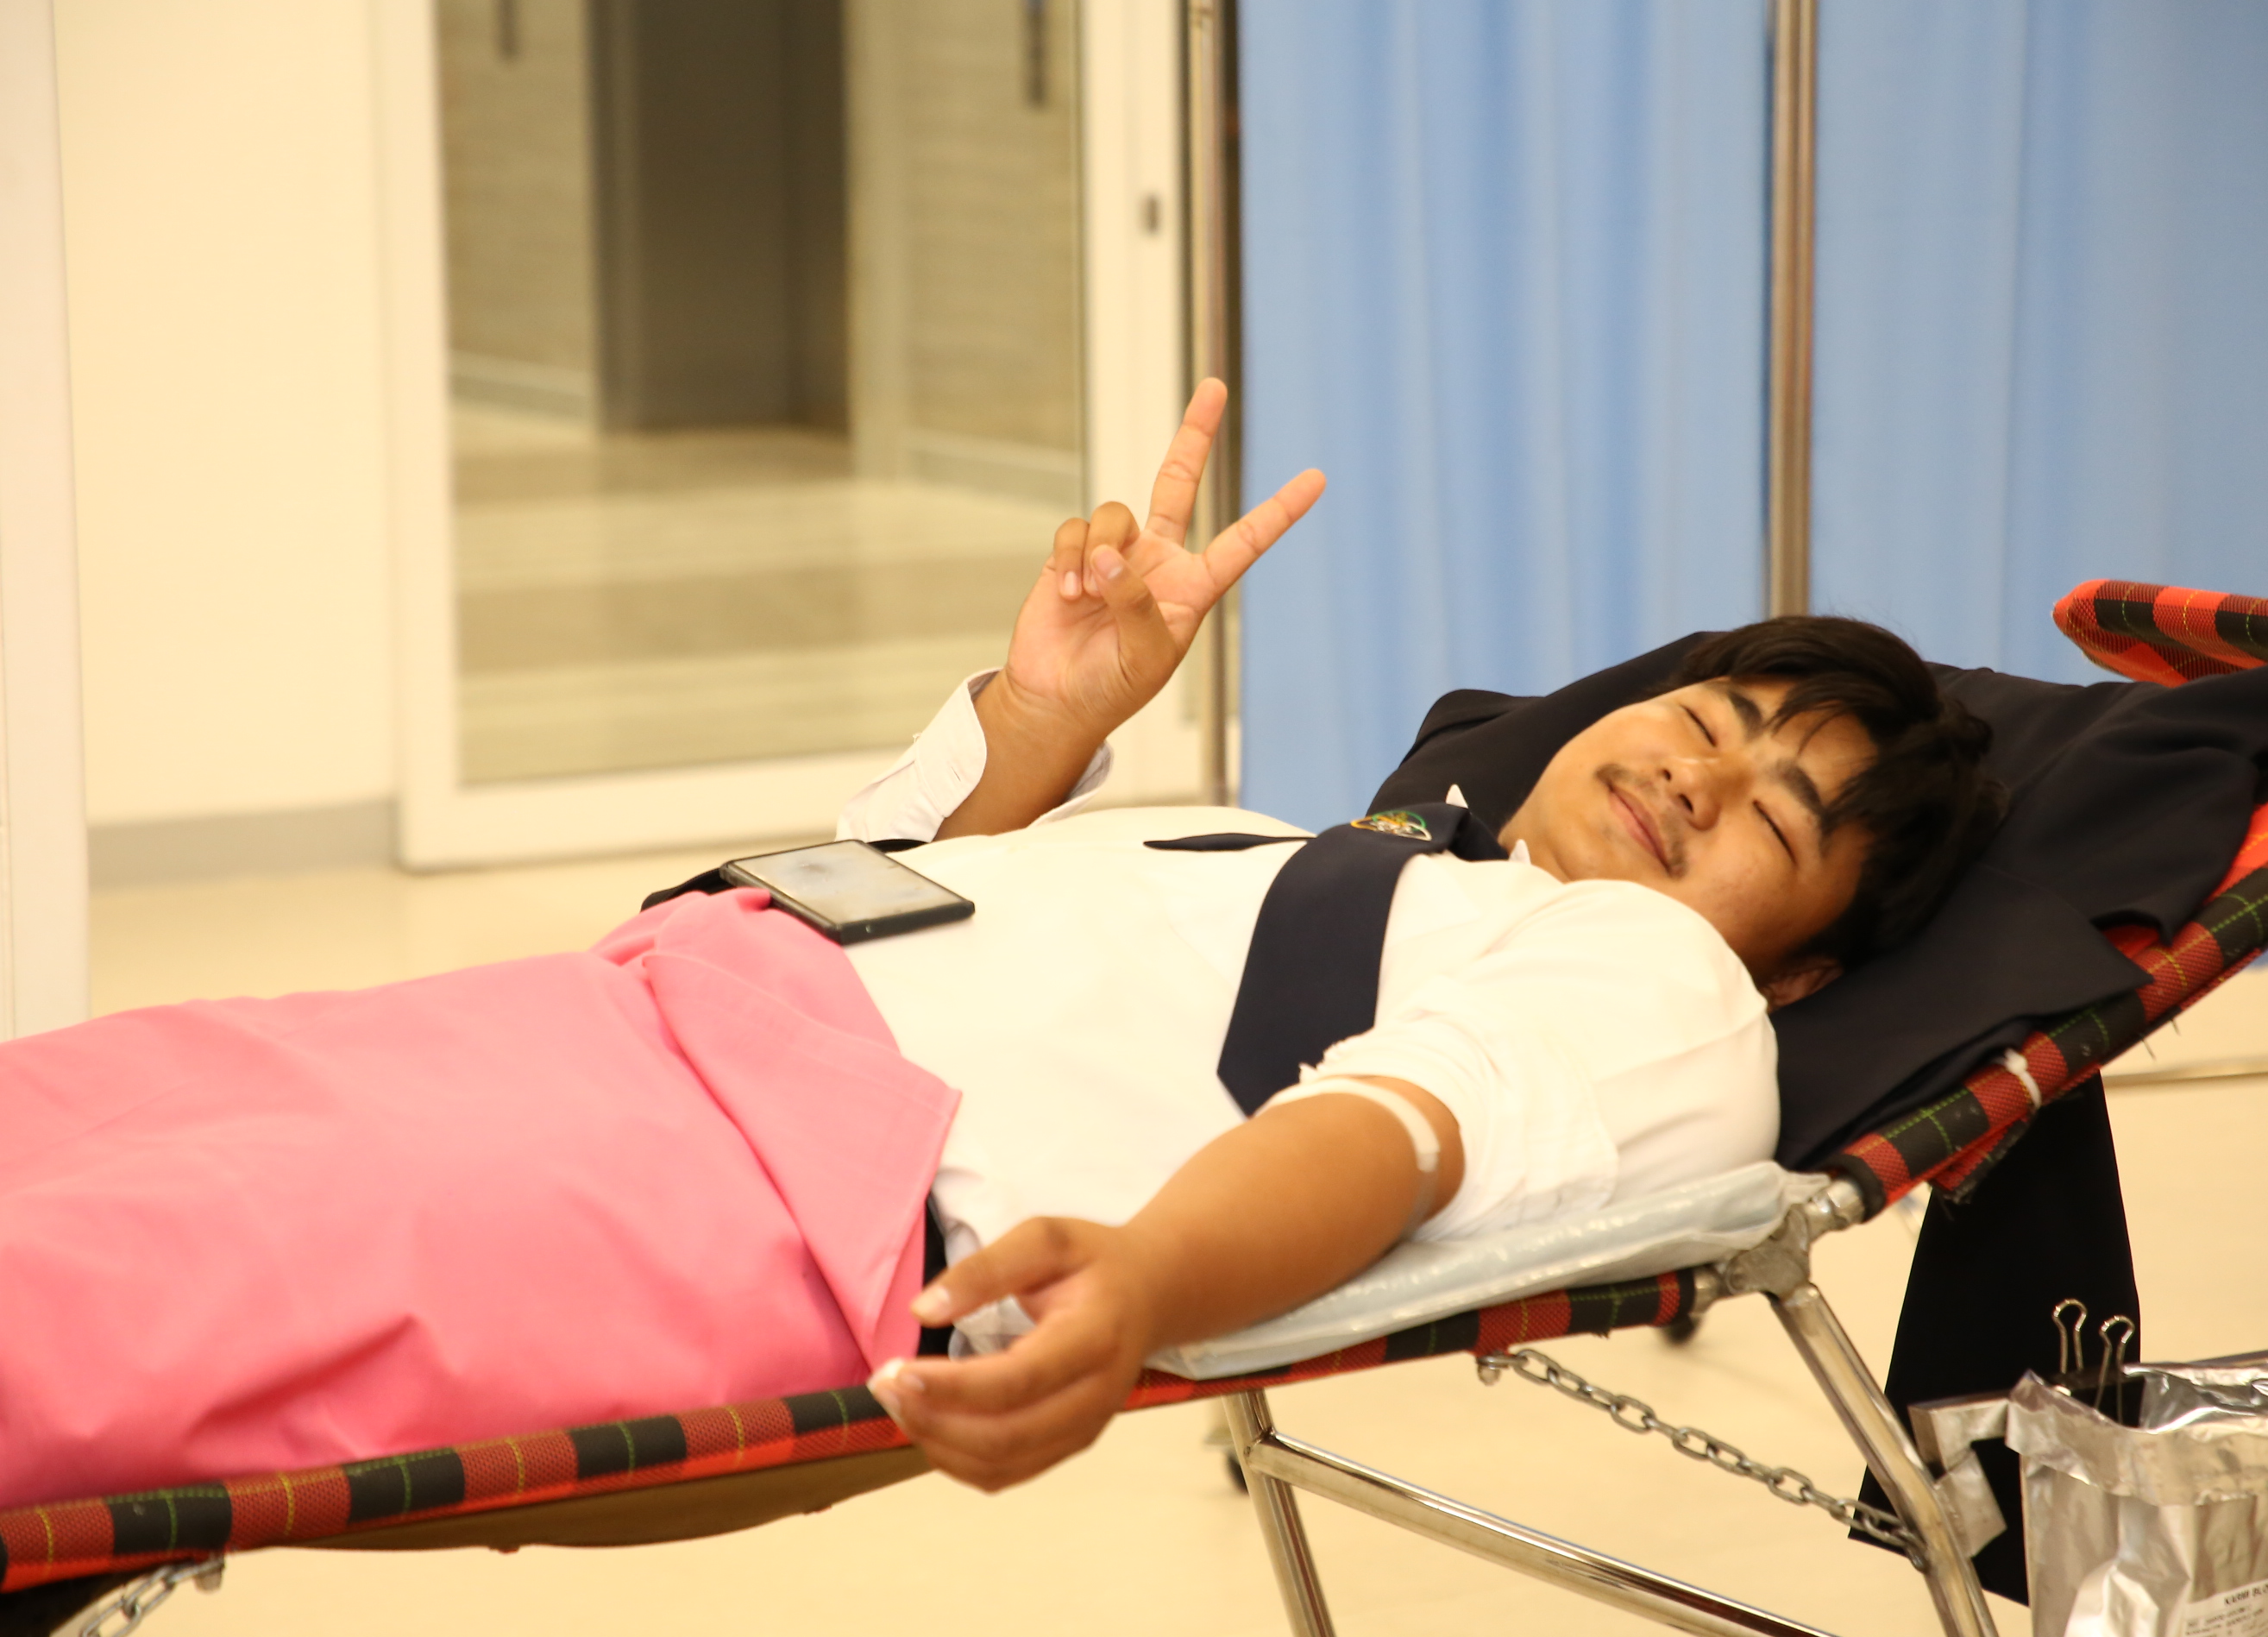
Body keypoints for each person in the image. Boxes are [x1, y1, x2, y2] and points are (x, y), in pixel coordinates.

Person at [0, 384, 1998, 1509]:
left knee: (96, 1305)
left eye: (1776, 819)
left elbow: (1397, 1132)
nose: (1698, 778)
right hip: (628, 1006)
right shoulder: (1364, 856)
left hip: (763, 1185)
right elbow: (910, 905)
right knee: (71, 1122)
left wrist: (1146, 1280)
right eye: (1712, 718)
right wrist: (1041, 726)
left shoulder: (1657, 988)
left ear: (1803, 964)